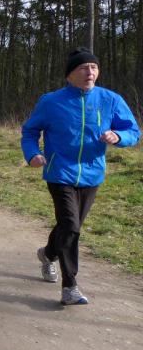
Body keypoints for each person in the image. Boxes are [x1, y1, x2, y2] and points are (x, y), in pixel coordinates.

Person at [21, 47, 139, 306]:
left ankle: (48, 254)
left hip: (92, 174)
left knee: (69, 227)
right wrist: (33, 154)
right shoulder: (51, 102)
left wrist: (118, 136)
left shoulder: (110, 99)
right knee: (71, 226)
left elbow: (133, 131)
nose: (90, 72)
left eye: (94, 67)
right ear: (70, 75)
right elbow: (30, 131)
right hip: (59, 172)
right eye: (83, 68)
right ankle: (70, 287)